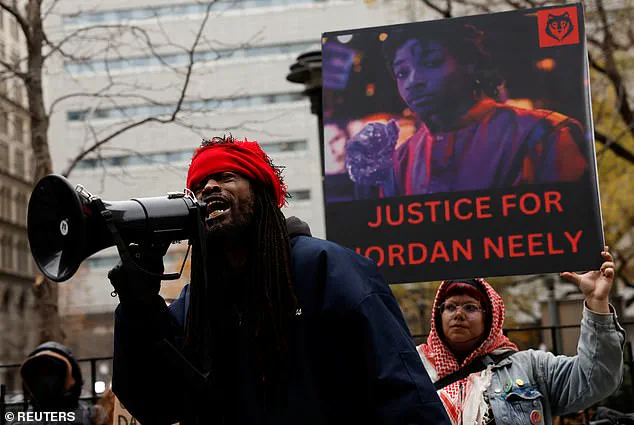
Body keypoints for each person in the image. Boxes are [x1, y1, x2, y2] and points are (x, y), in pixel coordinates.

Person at [109, 136, 451, 425]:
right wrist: (139, 305)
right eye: (198, 185)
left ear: (261, 194)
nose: (208, 187)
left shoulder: (329, 269)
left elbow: (401, 390)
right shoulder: (195, 302)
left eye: (226, 177)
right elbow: (156, 404)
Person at [345, 24, 589, 198]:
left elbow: (571, 234)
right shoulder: (401, 162)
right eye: (402, 73)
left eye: (431, 62)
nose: (413, 81)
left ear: (469, 63)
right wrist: (367, 183)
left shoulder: (546, 134)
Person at [416, 248, 624, 425]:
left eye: (470, 307)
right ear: (438, 314)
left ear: (490, 319)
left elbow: (597, 378)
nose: (458, 314)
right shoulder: (413, 368)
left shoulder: (531, 368)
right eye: (450, 307)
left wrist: (597, 301)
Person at [19, 342, 108, 425]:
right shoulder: (93, 416)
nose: (47, 381)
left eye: (54, 371)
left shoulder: (93, 416)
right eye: (39, 373)